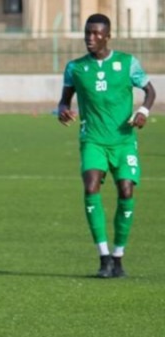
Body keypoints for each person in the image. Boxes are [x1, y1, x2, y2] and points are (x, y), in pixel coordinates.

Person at [57, 13, 156, 278]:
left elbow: (151, 91)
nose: (90, 38)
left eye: (96, 33)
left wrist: (144, 111)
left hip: (123, 141)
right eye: (87, 33)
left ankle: (118, 256)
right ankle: (103, 257)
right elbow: (64, 100)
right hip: (93, 140)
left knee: (126, 192)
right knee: (90, 187)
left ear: (107, 36)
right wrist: (63, 110)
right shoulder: (75, 68)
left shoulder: (127, 63)